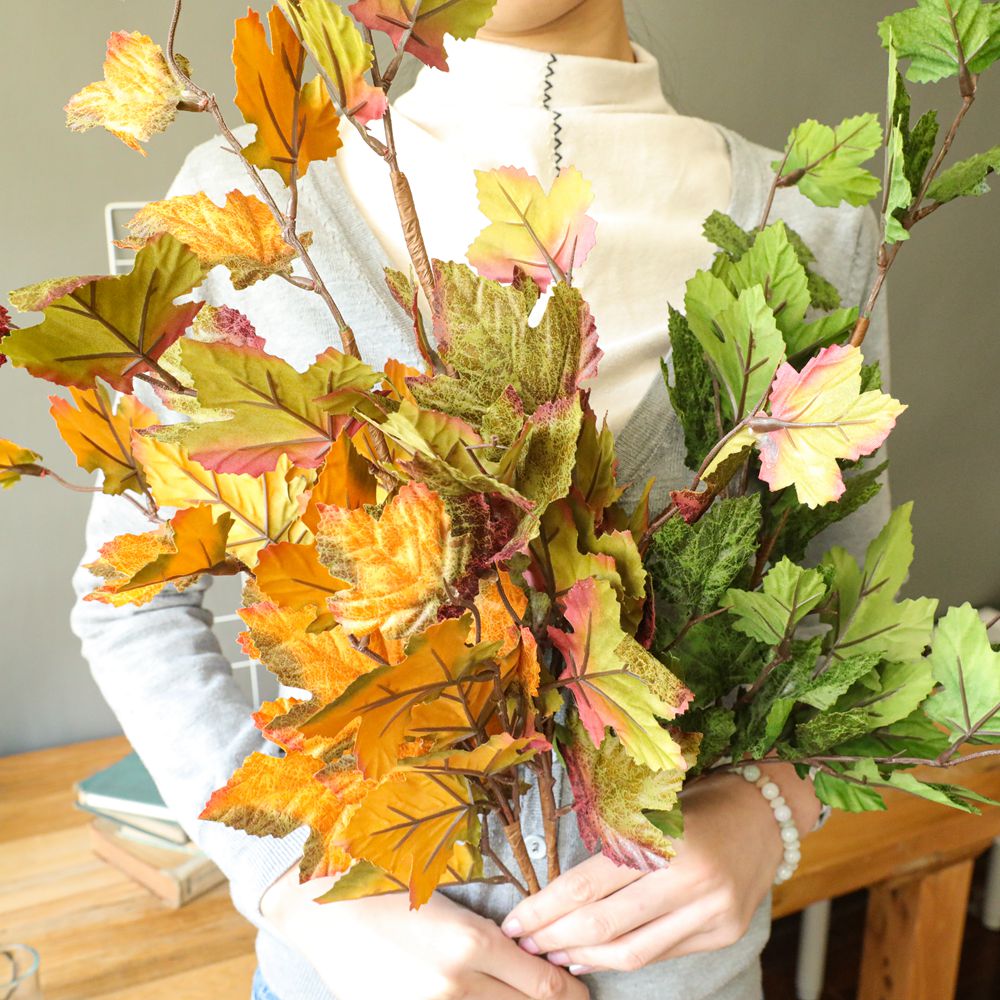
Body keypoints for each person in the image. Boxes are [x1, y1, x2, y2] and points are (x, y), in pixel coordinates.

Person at [70, 1, 892, 998]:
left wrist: (773, 809)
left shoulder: (815, 229)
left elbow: (850, 626)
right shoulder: (252, 206)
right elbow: (131, 602)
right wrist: (289, 883)